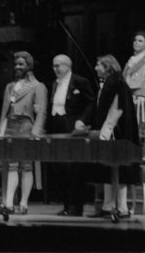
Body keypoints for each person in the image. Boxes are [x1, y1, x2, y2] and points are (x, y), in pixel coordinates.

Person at [0, 51, 47, 215]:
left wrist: (36, 132)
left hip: (26, 125)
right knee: (11, 165)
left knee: (25, 165)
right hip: (11, 125)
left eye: (21, 64)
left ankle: (23, 203)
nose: (17, 67)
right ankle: (9, 203)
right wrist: (0, 130)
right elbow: (4, 111)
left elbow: (42, 112)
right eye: (16, 64)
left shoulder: (37, 86)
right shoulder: (10, 87)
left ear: (29, 66)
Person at [88, 55, 140, 218]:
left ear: (107, 67)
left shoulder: (117, 83)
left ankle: (122, 207)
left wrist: (109, 130)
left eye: (98, 65)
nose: (96, 68)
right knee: (107, 169)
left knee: (119, 170)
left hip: (117, 134)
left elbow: (118, 110)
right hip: (109, 132)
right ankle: (108, 205)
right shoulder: (110, 83)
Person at [48, 55, 94, 216]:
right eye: (54, 66)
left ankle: (76, 206)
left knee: (74, 168)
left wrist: (82, 120)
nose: (55, 69)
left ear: (68, 66)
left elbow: (90, 102)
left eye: (58, 66)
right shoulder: (54, 83)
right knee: (61, 167)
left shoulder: (80, 81)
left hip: (73, 126)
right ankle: (67, 205)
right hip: (57, 125)